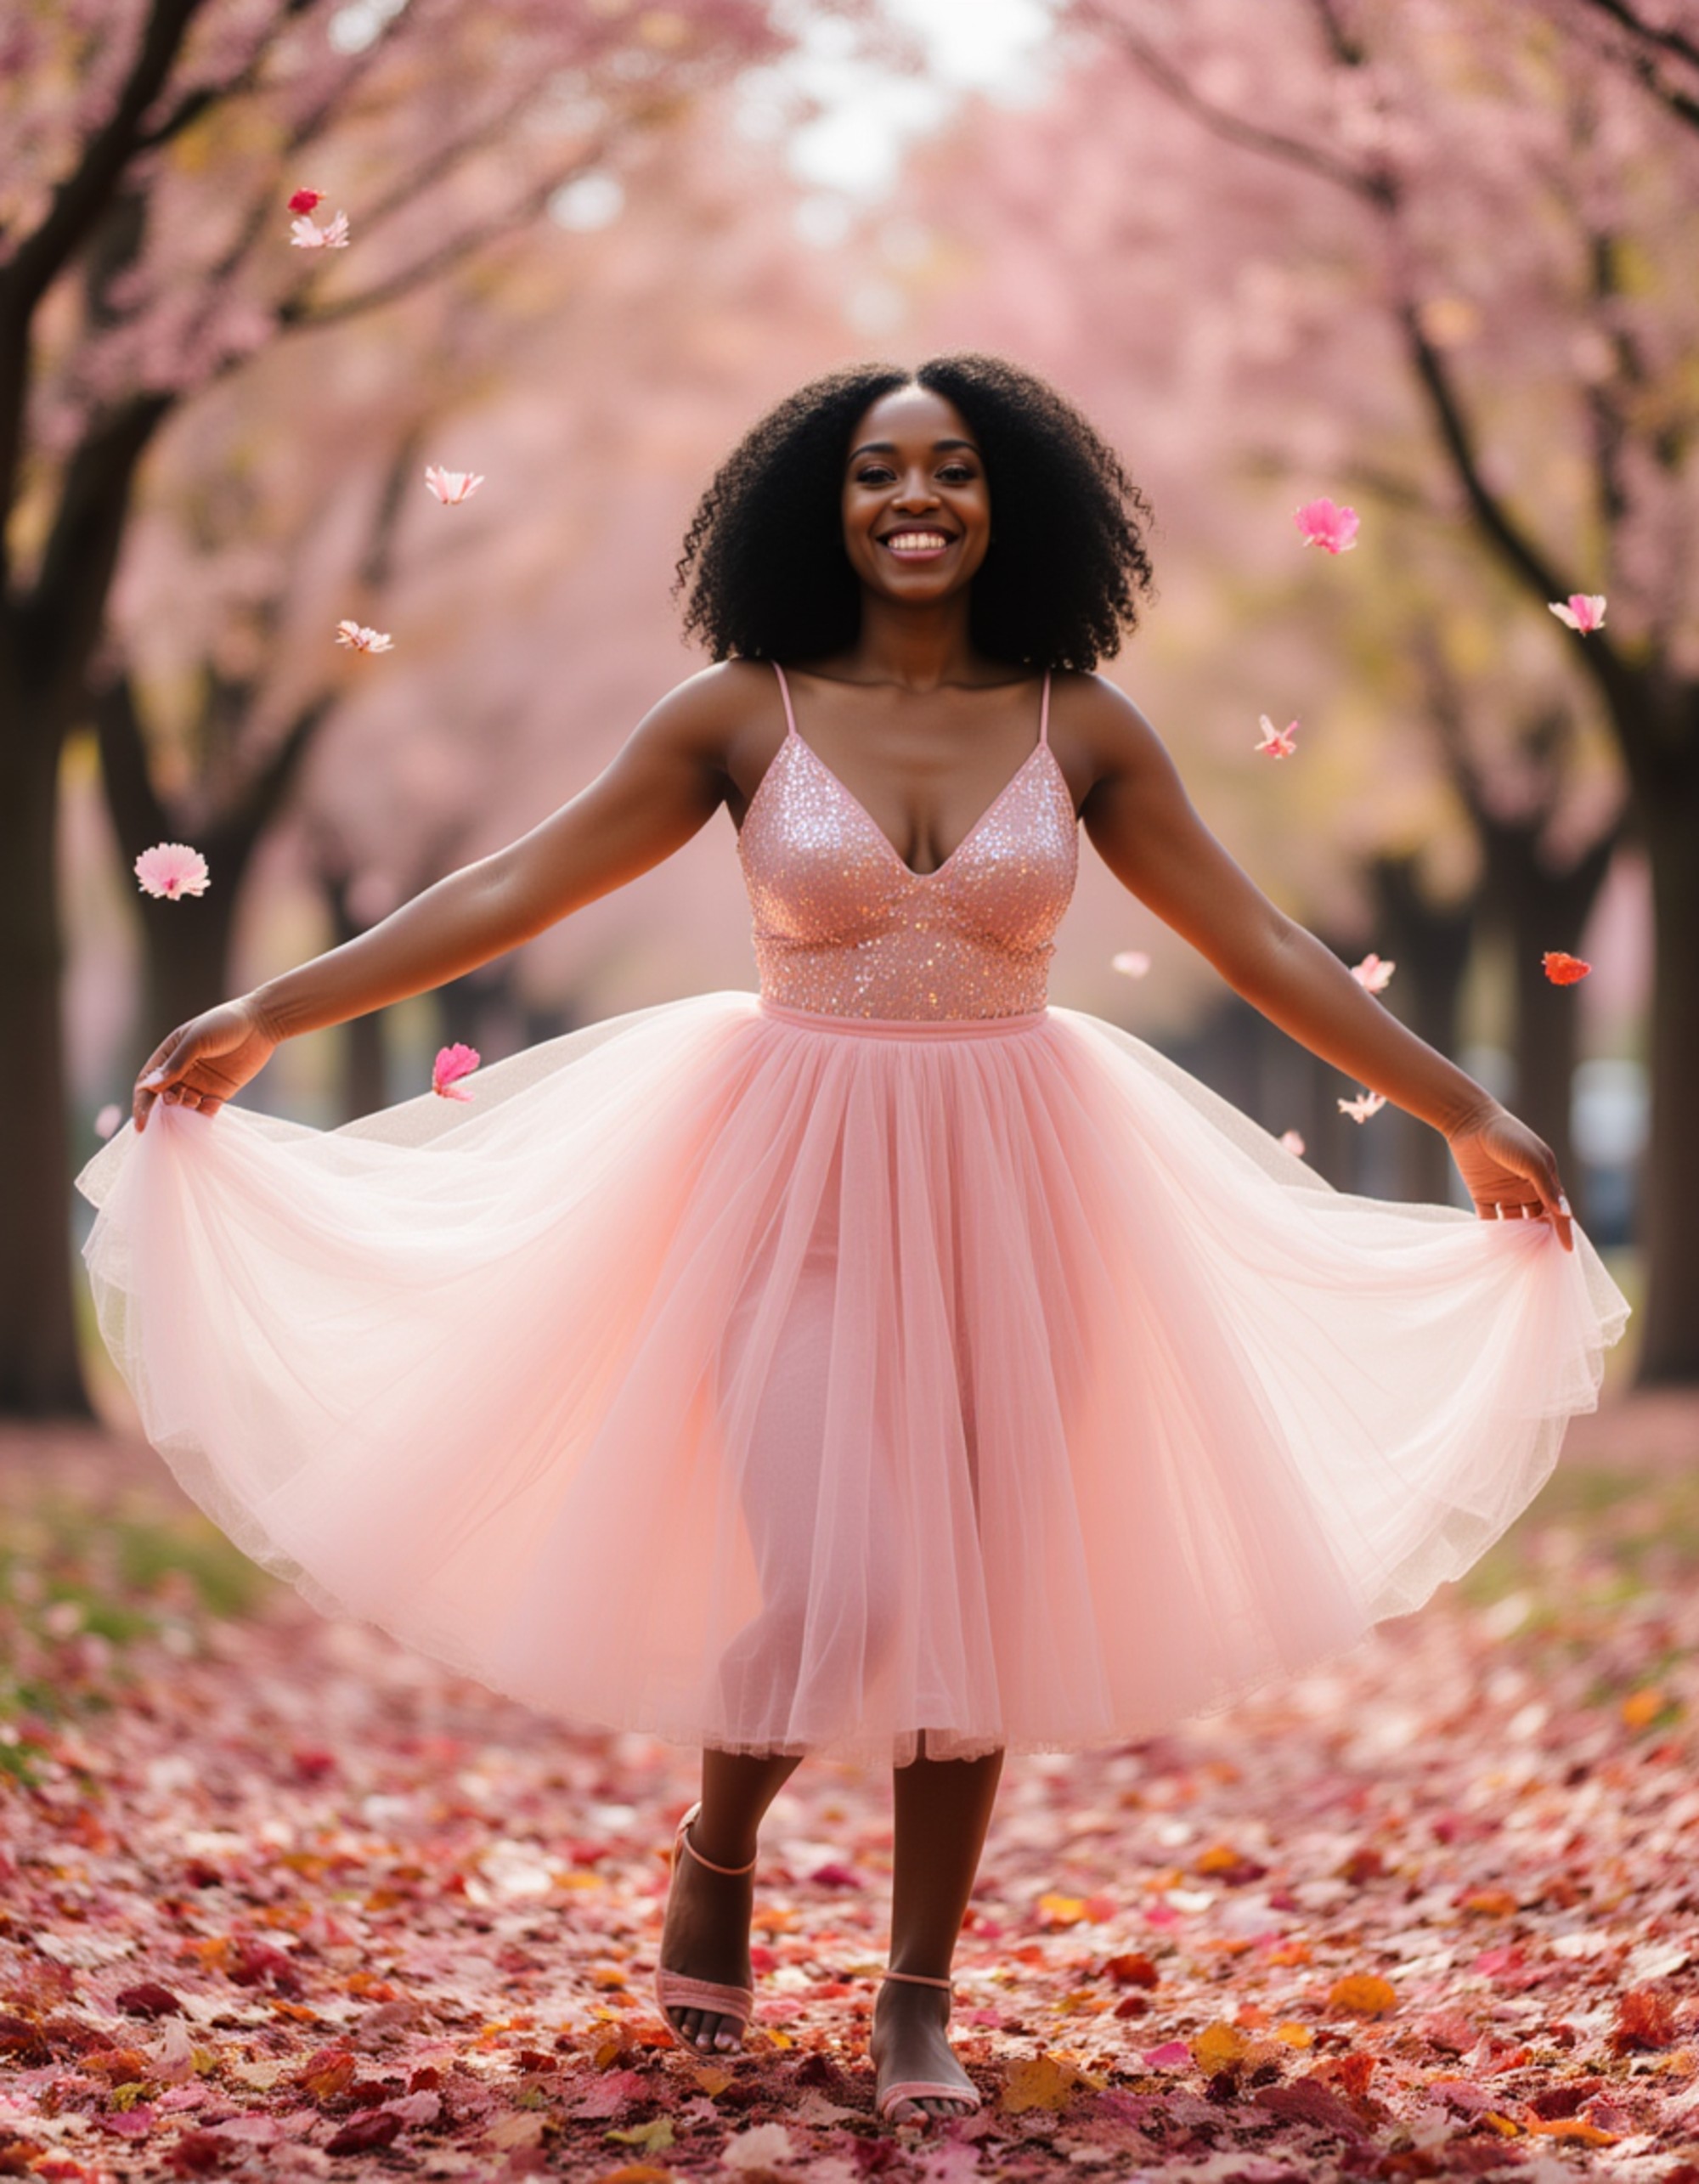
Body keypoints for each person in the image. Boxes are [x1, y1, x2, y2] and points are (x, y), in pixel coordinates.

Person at [77, 355, 1628, 2129]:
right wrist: (273, 1004)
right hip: (789, 1177)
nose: (917, 498)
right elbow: (516, 882)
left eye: (953, 469)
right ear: (819, 502)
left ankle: (916, 1987)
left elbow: (1260, 942)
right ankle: (718, 1836)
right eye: (881, 469)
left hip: (1027, 1185)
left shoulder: (1083, 723)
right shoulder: (738, 713)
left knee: (973, 1583)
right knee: (831, 1568)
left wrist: (1464, 1109)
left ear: (1007, 500)